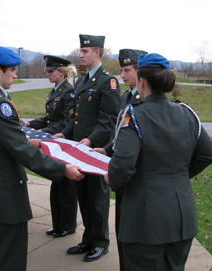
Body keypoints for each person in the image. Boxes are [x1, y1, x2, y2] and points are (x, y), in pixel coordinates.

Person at [0, 44, 84, 271]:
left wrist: (28, 142)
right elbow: (22, 152)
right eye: (12, 70)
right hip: (4, 196)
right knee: (8, 260)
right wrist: (62, 169)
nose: (14, 75)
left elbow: (0, 142)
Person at [105, 53, 212, 271]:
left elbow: (123, 164)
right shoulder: (187, 113)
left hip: (145, 219)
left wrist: (113, 181)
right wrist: (177, 176)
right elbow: (207, 154)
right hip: (182, 216)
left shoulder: (134, 115)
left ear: (142, 81)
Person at [55, 34, 121, 262]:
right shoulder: (82, 81)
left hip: (95, 151)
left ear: (97, 53)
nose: (81, 55)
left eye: (85, 52)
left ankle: (101, 243)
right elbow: (77, 119)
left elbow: (109, 119)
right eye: (81, 51)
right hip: (79, 148)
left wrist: (91, 141)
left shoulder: (108, 81)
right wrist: (66, 133)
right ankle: (88, 239)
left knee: (98, 198)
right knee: (82, 195)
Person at [92, 48, 147, 270]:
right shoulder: (126, 96)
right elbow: (119, 135)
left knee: (133, 236)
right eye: (121, 70)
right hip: (123, 174)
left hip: (133, 175)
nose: (122, 75)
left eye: (127, 70)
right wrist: (106, 150)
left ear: (140, 72)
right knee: (122, 231)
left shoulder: (144, 101)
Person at [24, 55, 78, 238]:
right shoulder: (55, 90)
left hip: (62, 142)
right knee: (57, 185)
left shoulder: (68, 92)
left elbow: (67, 121)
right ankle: (58, 224)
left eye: (51, 71)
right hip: (53, 141)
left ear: (61, 72)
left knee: (66, 187)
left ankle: (68, 225)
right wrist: (32, 125)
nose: (47, 73)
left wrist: (44, 132)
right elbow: (49, 119)